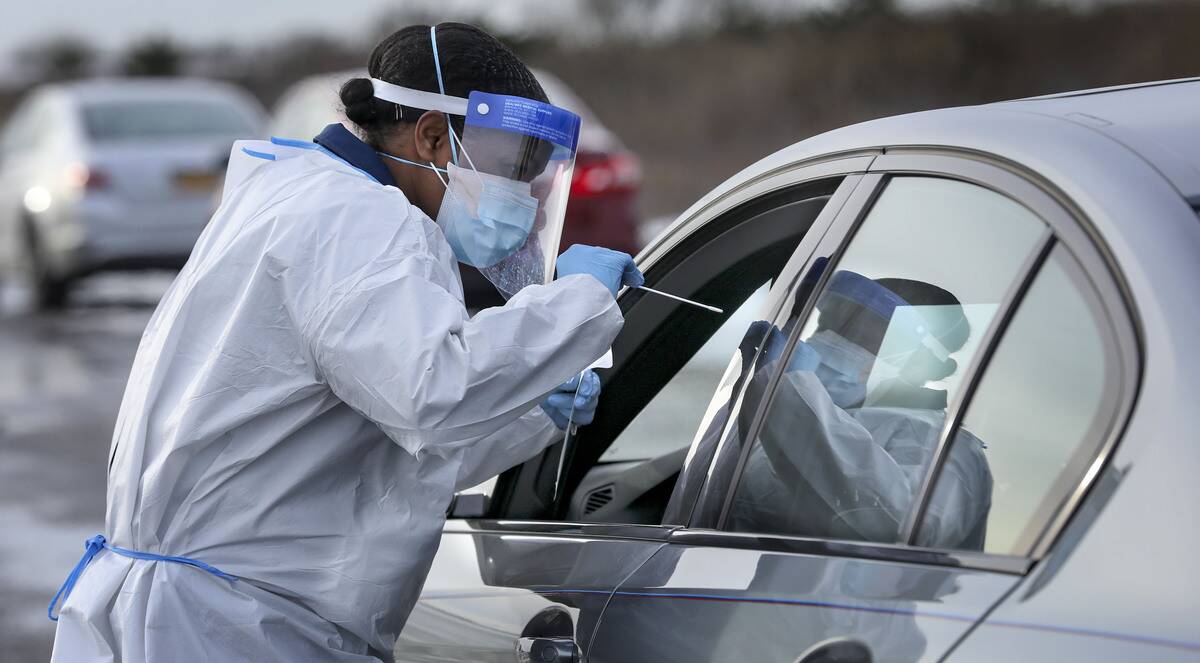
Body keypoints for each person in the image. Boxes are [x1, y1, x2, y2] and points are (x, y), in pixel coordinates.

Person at [49, 23, 642, 663]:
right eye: (507, 172)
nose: (520, 201)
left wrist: (527, 413)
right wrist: (578, 300)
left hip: (212, 609)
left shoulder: (311, 198)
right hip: (233, 626)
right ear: (436, 139)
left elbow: (369, 443)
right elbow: (433, 392)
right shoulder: (360, 223)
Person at [727, 271, 993, 550]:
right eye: (831, 322)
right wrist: (749, 397)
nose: (833, 339)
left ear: (921, 363)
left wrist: (787, 392)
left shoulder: (950, 450)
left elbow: (894, 529)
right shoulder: (787, 410)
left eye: (864, 335)